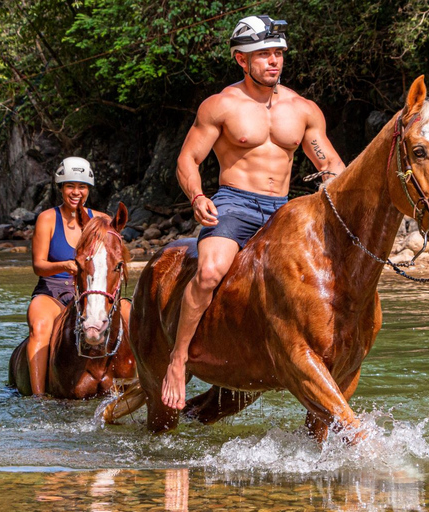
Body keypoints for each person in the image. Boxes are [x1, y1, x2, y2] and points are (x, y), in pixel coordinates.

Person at [162, 15, 346, 409]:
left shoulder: (302, 108)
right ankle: (178, 359)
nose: (273, 61)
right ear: (241, 60)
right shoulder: (221, 106)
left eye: (278, 53)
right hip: (234, 203)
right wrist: (197, 197)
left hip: (285, 210)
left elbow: (329, 163)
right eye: (263, 55)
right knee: (210, 272)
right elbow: (187, 160)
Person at [26, 157, 106, 395]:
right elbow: (38, 265)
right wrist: (63, 265)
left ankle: (133, 386)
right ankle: (38, 398)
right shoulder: (47, 219)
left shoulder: (102, 220)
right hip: (52, 291)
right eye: (70, 186)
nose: (76, 192)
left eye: (82, 187)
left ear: (88, 190)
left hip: (91, 291)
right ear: (61, 188)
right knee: (40, 327)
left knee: (127, 314)